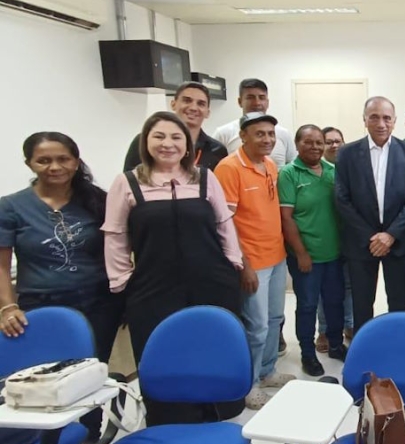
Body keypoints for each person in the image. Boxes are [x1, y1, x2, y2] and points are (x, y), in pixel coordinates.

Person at [104, 111, 244, 424]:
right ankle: (170, 418)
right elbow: (115, 235)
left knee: (212, 346)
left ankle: (216, 415)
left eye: (176, 137)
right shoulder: (127, 182)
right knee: (162, 351)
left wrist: (234, 261)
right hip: (154, 286)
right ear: (145, 142)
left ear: (187, 144)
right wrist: (121, 280)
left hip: (212, 281)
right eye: (159, 136)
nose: (168, 144)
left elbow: (223, 222)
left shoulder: (205, 177)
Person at [1, 132, 123, 441]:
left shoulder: (97, 200)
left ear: (76, 161)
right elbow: (1, 265)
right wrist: (7, 306)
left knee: (91, 378)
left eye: (63, 159)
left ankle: (87, 435)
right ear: (29, 163)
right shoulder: (11, 207)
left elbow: (118, 247)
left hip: (98, 304)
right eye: (44, 160)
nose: (54, 166)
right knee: (40, 381)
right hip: (39, 308)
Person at [214, 112, 294, 409]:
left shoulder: (270, 165)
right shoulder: (229, 168)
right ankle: (247, 384)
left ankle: (267, 371)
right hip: (252, 263)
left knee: (275, 319)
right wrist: (244, 264)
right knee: (256, 326)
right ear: (243, 136)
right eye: (260, 134)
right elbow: (226, 222)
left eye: (271, 134)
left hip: (276, 256)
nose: (267, 139)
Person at [335, 97, 405, 332]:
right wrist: (372, 237)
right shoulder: (347, 153)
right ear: (364, 120)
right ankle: (365, 349)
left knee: (399, 302)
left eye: (386, 118)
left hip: (399, 241)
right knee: (362, 303)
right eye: (374, 117)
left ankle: (397, 346)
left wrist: (391, 235)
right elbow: (342, 199)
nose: (381, 123)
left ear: (394, 121)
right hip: (362, 242)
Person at [279, 125, 346, 377]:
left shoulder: (333, 171)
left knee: (334, 303)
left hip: (334, 254)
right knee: (307, 305)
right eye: (309, 142)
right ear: (297, 144)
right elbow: (286, 218)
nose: (316, 147)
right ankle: (308, 353)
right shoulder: (288, 173)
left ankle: (336, 344)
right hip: (306, 256)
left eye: (320, 142)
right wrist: (301, 253)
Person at [123, 81, 228, 171]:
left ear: (207, 112)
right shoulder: (145, 141)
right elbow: (129, 183)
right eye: (187, 100)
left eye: (201, 104)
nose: (193, 107)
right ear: (173, 104)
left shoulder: (217, 150)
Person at [213, 78, 296, 168]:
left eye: (262, 98)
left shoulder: (284, 134)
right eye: (250, 97)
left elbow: (293, 169)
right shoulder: (223, 134)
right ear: (240, 102)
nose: (257, 103)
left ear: (267, 102)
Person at [318, 126, 349, 351]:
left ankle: (349, 325)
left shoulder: (349, 169)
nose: (334, 145)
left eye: (338, 141)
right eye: (328, 142)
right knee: (325, 290)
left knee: (347, 286)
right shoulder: (318, 170)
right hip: (323, 243)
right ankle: (325, 331)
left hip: (348, 240)